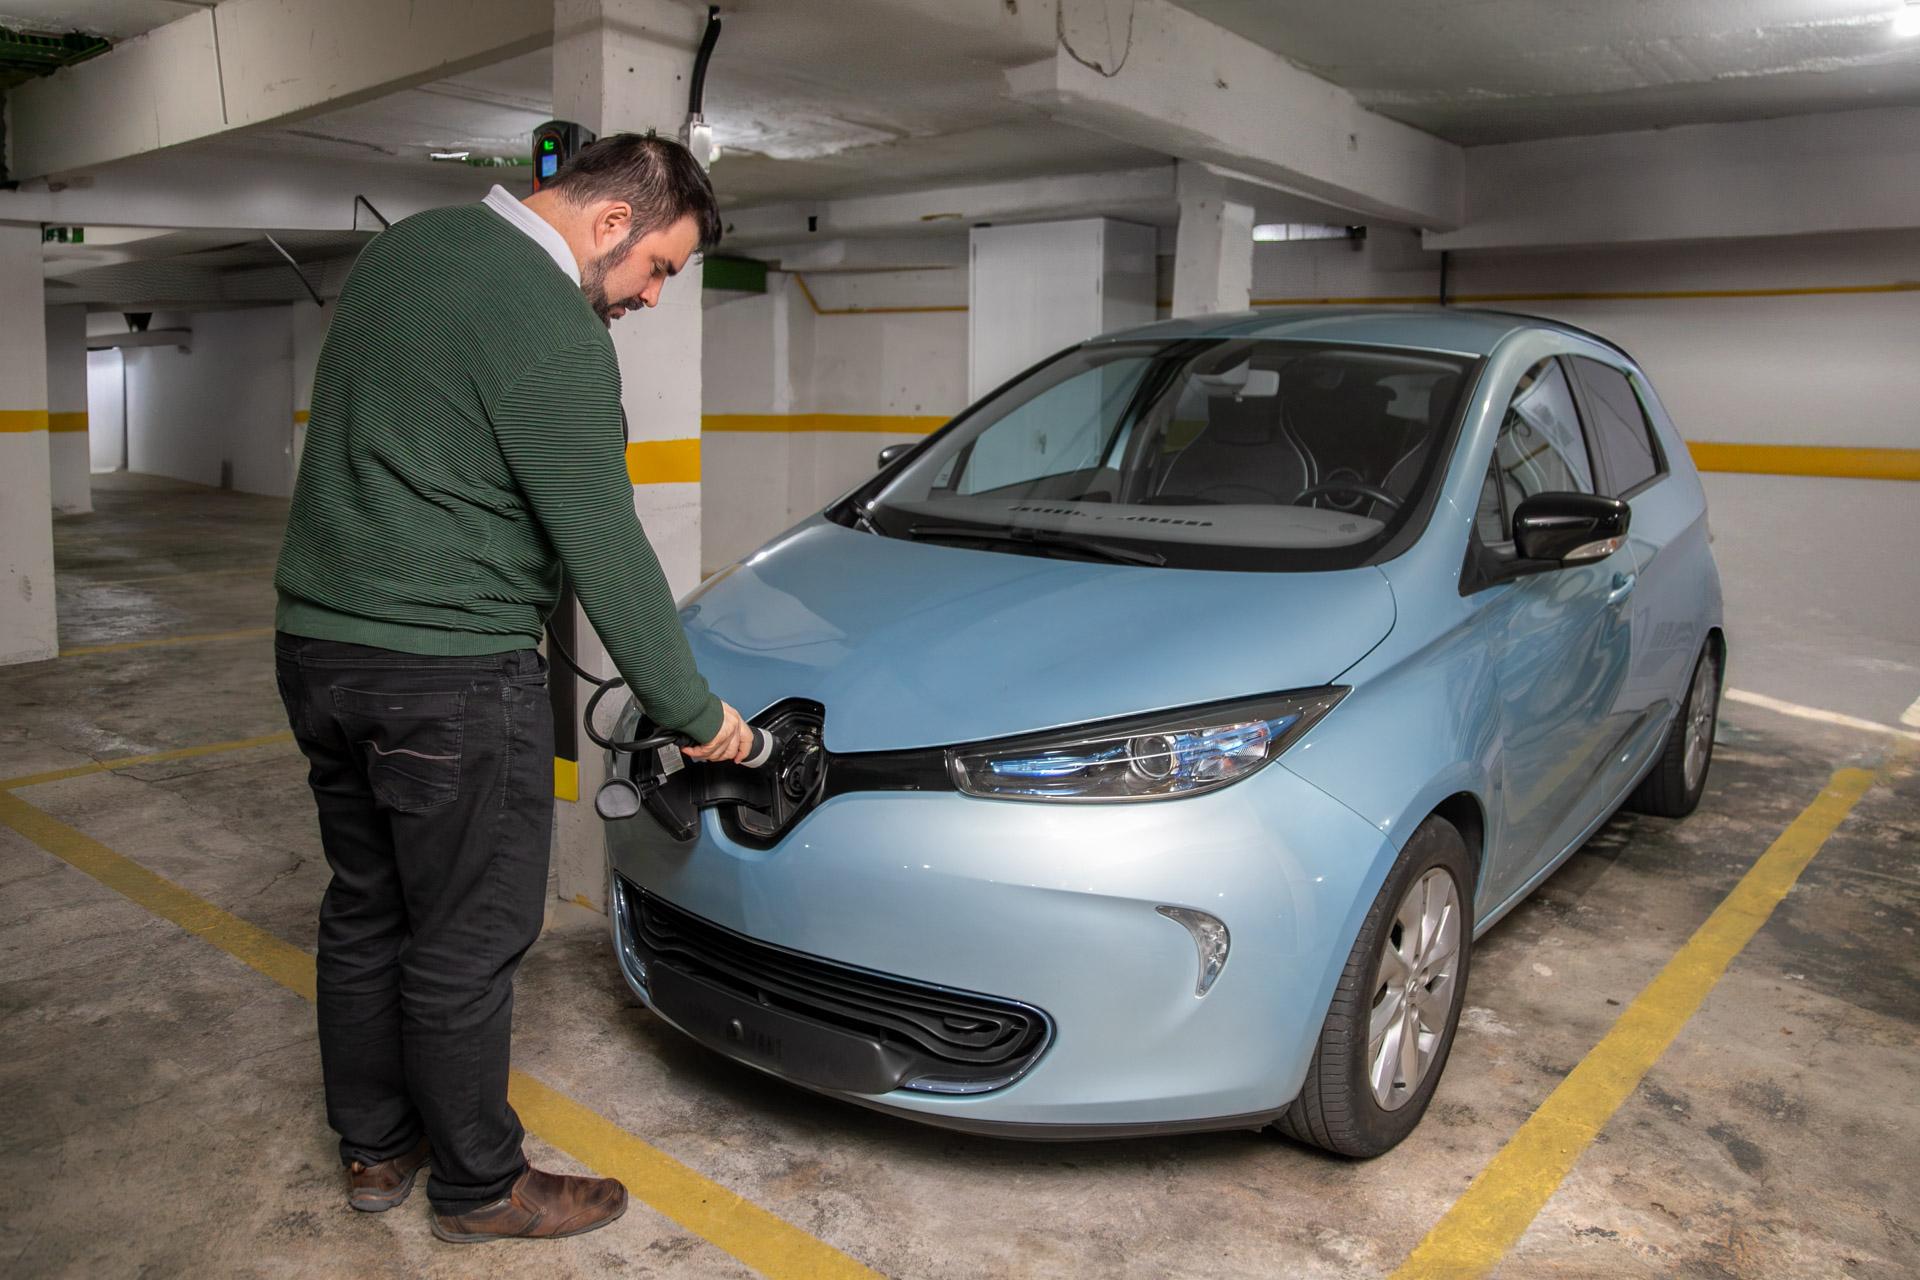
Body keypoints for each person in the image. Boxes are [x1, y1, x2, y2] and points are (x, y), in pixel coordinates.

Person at [272, 133, 752, 1245]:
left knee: (365, 908)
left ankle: (375, 1145)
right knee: (466, 934)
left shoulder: (409, 251)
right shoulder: (552, 325)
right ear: (610, 225)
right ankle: (481, 1182)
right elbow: (602, 539)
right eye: (658, 270)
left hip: (318, 652)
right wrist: (696, 714)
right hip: (446, 673)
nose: (648, 297)